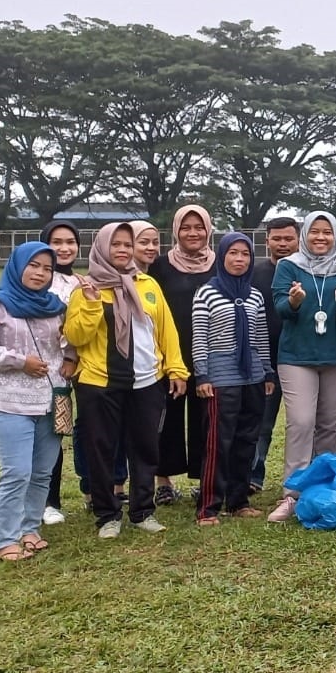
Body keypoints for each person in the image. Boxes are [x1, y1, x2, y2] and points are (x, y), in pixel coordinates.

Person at [64, 223, 189, 538]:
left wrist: (176, 368)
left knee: (146, 448)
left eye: (126, 245)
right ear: (102, 248)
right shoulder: (85, 288)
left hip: (146, 381)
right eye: (115, 245)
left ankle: (142, 511)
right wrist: (93, 303)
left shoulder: (147, 284)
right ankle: (107, 514)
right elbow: (75, 336)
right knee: (102, 448)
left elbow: (165, 330)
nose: (121, 250)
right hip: (99, 382)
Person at [0, 241, 67, 560]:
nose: (40, 273)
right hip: (10, 403)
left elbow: (70, 342)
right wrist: (19, 360)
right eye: (34, 265)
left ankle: (30, 529)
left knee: (42, 472)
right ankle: (6, 539)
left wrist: (72, 360)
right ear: (17, 266)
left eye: (47, 268)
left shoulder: (55, 305)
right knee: (17, 472)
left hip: (52, 401)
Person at [268, 211, 336, 523]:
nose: (321, 238)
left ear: (335, 235)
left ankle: (320, 491)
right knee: (301, 422)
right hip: (297, 356)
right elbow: (282, 308)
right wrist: (294, 301)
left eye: (327, 232)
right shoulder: (288, 265)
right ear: (305, 235)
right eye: (315, 232)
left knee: (329, 426)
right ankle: (292, 495)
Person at [190, 233, 276, 525]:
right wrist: (201, 375)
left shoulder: (254, 295)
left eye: (245, 254)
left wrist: (266, 371)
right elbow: (199, 338)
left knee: (246, 439)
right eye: (233, 253)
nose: (239, 259)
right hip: (220, 378)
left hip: (251, 377)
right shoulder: (206, 293)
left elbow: (261, 336)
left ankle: (238, 500)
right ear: (222, 256)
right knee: (218, 442)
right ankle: (208, 507)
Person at [148, 204, 216, 505]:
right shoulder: (161, 266)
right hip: (169, 355)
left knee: (206, 418)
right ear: (176, 230)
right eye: (186, 227)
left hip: (210, 355)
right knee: (168, 419)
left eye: (198, 227)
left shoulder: (219, 263)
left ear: (208, 230)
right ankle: (163, 481)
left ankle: (205, 478)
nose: (193, 233)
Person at [37, 219, 83, 525]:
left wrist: (72, 356)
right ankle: (46, 501)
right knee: (42, 433)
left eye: (70, 242)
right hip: (40, 370)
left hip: (71, 371)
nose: (64, 248)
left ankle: (67, 497)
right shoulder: (37, 279)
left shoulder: (81, 283)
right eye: (57, 242)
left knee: (61, 428)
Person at [249, 216, 298, 492]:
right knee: (261, 422)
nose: (282, 243)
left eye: (288, 238)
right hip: (263, 360)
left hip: (299, 358)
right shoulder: (255, 273)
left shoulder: (307, 270)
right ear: (267, 240)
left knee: (302, 423)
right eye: (277, 238)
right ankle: (253, 477)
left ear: (297, 239)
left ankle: (303, 477)